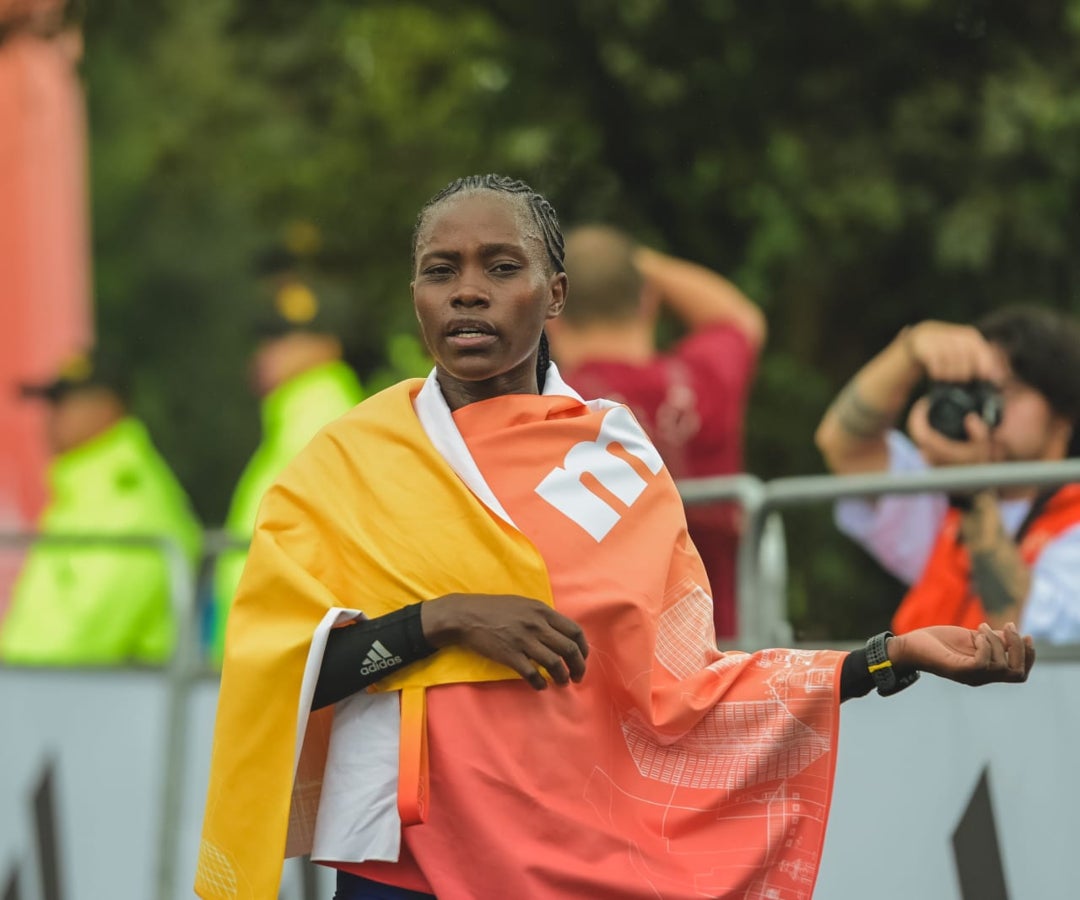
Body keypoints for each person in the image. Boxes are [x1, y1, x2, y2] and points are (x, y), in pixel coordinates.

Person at [197, 175, 1033, 900]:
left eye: (501, 266)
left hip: (582, 863)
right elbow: (292, 675)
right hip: (400, 877)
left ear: (554, 294)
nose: (467, 292)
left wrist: (888, 657)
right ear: (414, 292)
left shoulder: (615, 464)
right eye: (439, 271)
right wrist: (442, 621)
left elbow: (690, 693)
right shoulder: (349, 460)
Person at [546, 226, 765, 640]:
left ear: (552, 317)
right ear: (648, 302)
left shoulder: (547, 406)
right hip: (722, 655)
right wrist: (634, 259)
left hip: (605, 667)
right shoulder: (705, 378)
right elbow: (740, 318)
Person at [815, 307, 1080, 642]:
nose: (988, 408)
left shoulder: (1072, 518)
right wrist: (909, 352)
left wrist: (971, 493)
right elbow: (843, 445)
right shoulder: (944, 492)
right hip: (920, 691)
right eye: (981, 389)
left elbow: (1024, 635)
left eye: (1007, 390)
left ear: (1063, 413)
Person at [208, 244, 364, 663]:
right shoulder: (298, 420)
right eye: (263, 339)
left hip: (288, 660)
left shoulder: (323, 420)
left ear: (326, 345)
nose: (264, 353)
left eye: (281, 338)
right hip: (271, 653)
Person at [0, 348, 202, 664]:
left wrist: (10, 676)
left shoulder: (130, 500)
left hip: (105, 705)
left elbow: (79, 642)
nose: (50, 416)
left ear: (107, 408)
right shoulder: (85, 494)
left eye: (63, 401)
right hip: (58, 699)